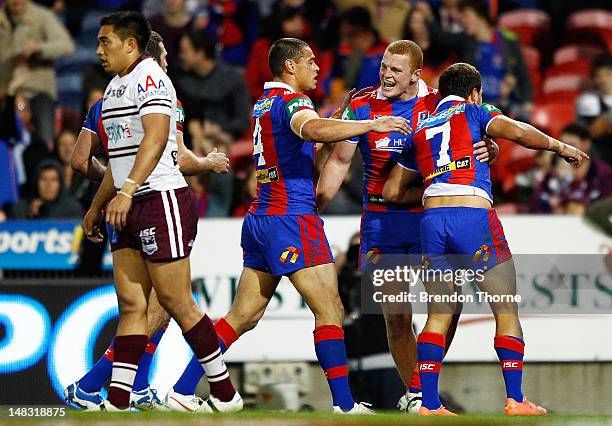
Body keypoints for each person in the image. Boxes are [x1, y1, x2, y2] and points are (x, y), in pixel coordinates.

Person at [163, 37, 411, 414]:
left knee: (243, 315)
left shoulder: (265, 102)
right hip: (291, 218)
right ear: (290, 67)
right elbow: (310, 130)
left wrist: (339, 118)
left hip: (261, 216)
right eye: (310, 61)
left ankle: (181, 390)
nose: (317, 66)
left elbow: (308, 142)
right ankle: (344, 406)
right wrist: (371, 123)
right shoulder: (294, 102)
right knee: (330, 310)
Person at [383, 62, 587, 416]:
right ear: (474, 92)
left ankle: (429, 404)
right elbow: (519, 132)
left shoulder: (420, 128)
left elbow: (392, 192)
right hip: (473, 217)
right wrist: (559, 146)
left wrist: (437, 183)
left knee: (437, 315)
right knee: (506, 308)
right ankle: (515, 399)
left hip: (432, 220)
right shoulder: (475, 111)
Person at [317, 39, 498, 413]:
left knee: (451, 305)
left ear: (416, 74)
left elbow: (489, 121)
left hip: (428, 221)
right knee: (397, 316)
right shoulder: (363, 104)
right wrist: (316, 203)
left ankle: (417, 386)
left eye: (396, 70)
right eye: (384, 66)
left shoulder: (439, 102)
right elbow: (338, 160)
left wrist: (491, 146)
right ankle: (417, 396)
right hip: (382, 224)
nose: (386, 74)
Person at [65, 30, 231, 411]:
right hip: (154, 202)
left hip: (119, 207)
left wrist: (113, 185)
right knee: (165, 303)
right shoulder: (160, 92)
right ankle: (220, 391)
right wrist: (207, 163)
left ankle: (125, 389)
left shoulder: (104, 100)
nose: (169, 63)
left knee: (140, 306)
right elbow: (170, 154)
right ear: (152, 58)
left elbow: (78, 161)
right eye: (165, 56)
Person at [0, 0, 75, 147]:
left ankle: (45, 154)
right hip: (6, 94)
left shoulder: (42, 16)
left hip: (38, 92)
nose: (17, 1)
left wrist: (39, 49)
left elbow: (67, 46)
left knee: (44, 140)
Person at [175, 30, 250, 139]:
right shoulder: (180, 79)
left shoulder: (232, 78)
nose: (180, 56)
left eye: (184, 51)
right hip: (189, 138)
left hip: (225, 139)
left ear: (200, 53)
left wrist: (219, 128)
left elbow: (243, 121)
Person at [530, 124, 612, 214]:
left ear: (586, 144)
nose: (566, 150)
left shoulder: (604, 173)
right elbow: (535, 205)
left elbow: (607, 206)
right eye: (563, 145)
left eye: (571, 145)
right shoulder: (552, 174)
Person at [10, 158, 83, 219]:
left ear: (61, 184)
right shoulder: (21, 209)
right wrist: (31, 216)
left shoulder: (72, 209)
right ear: (36, 182)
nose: (48, 184)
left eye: (54, 180)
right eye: (44, 179)